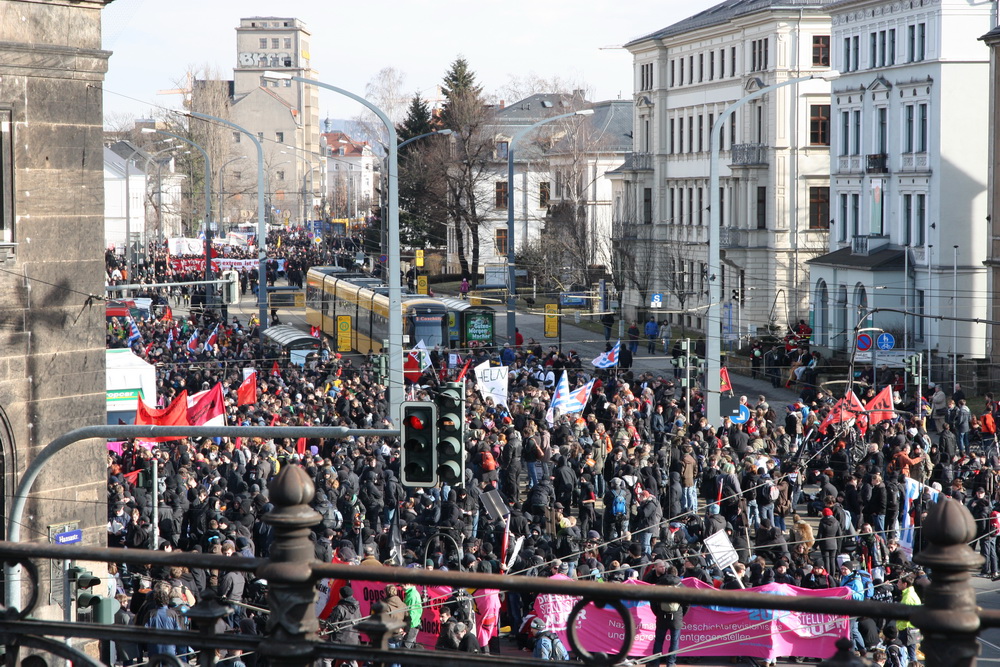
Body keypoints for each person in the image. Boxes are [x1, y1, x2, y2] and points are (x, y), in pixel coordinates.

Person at [651, 574, 687, 667]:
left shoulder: (658, 586)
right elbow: (687, 604)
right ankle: (671, 663)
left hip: (661, 616)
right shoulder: (681, 587)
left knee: (658, 641)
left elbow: (653, 602)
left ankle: (655, 663)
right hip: (676, 617)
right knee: (674, 641)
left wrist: (658, 613)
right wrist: (681, 615)